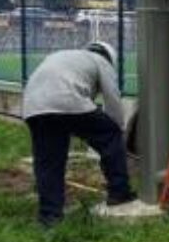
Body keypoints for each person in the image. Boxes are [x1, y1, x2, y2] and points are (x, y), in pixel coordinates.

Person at [21, 41, 154, 227]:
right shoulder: (101, 61)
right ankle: (119, 192)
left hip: (34, 106)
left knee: (49, 162)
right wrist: (117, 129)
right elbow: (112, 98)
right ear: (109, 58)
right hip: (67, 100)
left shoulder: (64, 55)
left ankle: (49, 217)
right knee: (110, 136)